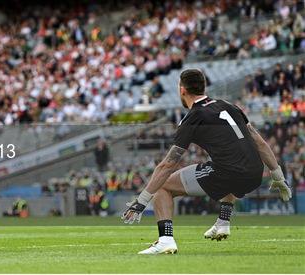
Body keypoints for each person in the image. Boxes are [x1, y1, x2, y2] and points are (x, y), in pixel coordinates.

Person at [121, 69, 292, 255]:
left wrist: (142, 200)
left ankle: (165, 240)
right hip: (255, 173)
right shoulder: (228, 106)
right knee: (224, 164)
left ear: (182, 89)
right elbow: (259, 142)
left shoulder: (193, 117)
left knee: (163, 186)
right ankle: (223, 223)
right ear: (203, 86)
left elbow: (168, 163)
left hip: (229, 173)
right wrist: (278, 176)